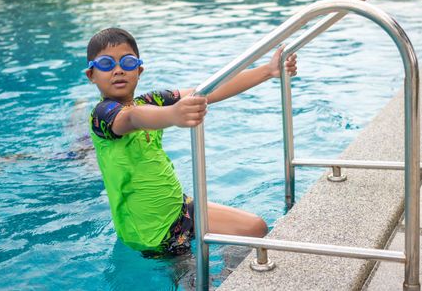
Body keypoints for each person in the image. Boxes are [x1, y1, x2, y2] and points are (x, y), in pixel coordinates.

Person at [85, 27, 297, 257]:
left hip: (179, 207)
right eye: (107, 64)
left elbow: (208, 91)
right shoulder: (102, 114)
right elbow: (131, 118)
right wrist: (172, 115)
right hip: (151, 231)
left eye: (127, 62)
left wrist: (268, 71)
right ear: (91, 75)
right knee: (193, 279)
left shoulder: (152, 100)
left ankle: (229, 276)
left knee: (255, 228)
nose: (118, 71)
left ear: (139, 70)